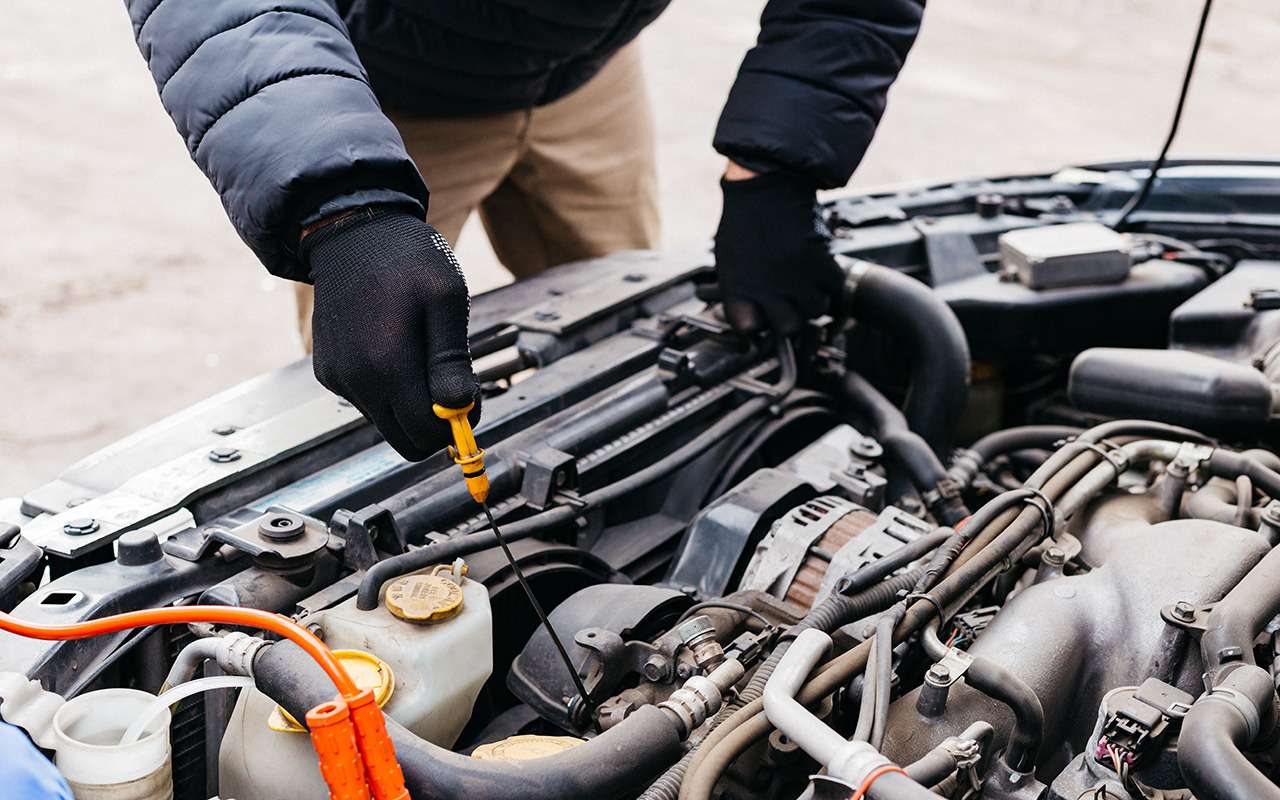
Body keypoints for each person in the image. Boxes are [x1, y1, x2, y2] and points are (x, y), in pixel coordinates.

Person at [121, 0, 922, 460]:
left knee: (634, 327)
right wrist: (343, 207)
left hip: (586, 66)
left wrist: (777, 166)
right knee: (388, 379)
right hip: (379, 95)